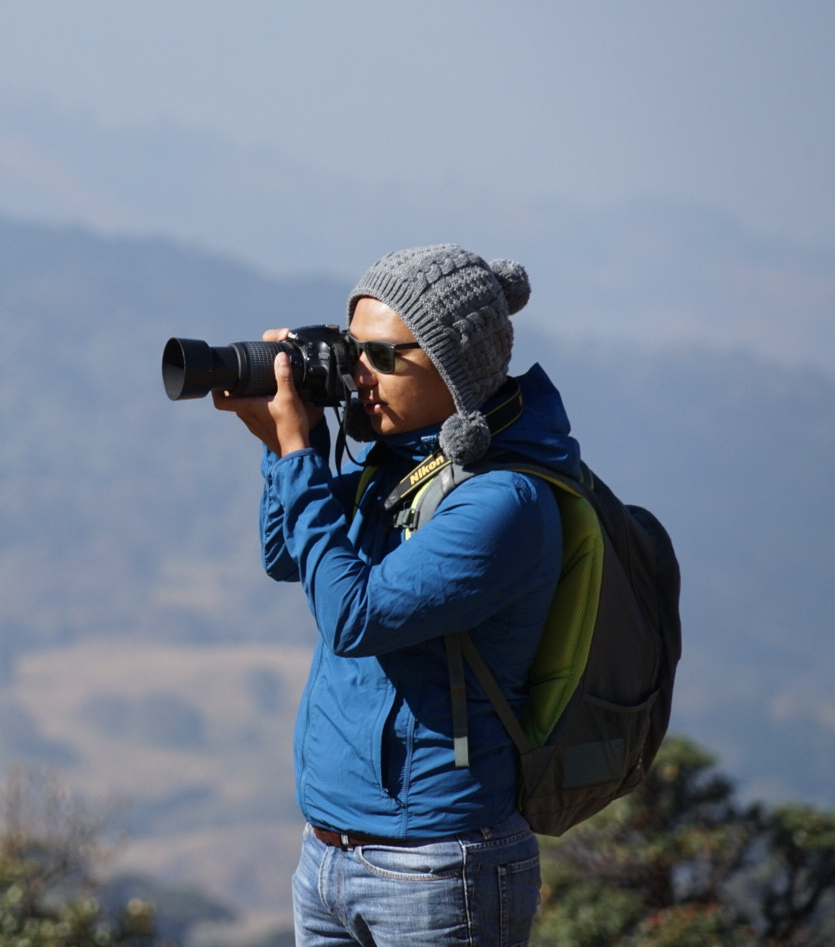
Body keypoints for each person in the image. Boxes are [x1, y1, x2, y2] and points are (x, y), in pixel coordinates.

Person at [214, 244, 580, 947]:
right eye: (353, 353)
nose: (359, 376)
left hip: (438, 867)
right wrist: (286, 446)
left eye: (383, 358)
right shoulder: (397, 467)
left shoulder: (503, 502)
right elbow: (287, 556)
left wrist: (297, 457)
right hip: (327, 855)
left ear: (455, 369)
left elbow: (353, 618)